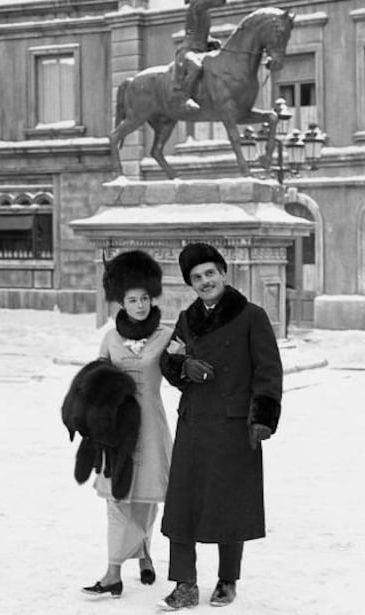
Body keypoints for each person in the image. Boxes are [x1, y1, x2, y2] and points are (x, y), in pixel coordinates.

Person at [157, 242, 283, 610]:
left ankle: (227, 580)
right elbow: (170, 361)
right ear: (190, 284)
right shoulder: (186, 319)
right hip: (194, 422)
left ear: (223, 274)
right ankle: (184, 584)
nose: (205, 281)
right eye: (197, 278)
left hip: (234, 425)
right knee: (181, 505)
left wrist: (263, 417)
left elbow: (268, 370)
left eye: (210, 273)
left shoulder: (251, 316)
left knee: (229, 504)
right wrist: (184, 368)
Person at [81, 250, 173, 598]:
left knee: (145, 499)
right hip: (117, 431)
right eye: (132, 300)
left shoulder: (166, 337)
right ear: (122, 302)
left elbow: (180, 374)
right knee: (116, 499)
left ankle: (146, 554)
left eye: (145, 298)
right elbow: (95, 380)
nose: (140, 305)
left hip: (151, 427)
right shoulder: (111, 338)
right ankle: (112, 573)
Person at [174, 0, 226, 112]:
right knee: (195, 67)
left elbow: (202, 34)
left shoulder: (205, 13)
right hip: (188, 50)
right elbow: (209, 3)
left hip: (201, 50)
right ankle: (184, 98)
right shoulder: (195, 6)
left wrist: (211, 41)